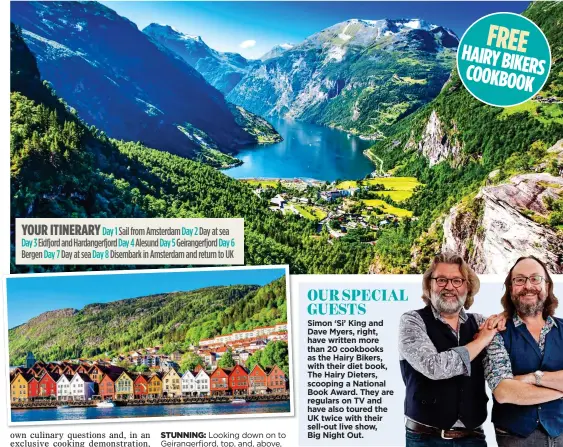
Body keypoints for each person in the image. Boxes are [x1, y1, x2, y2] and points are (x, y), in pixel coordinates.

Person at [399, 252, 505, 446]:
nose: (449, 287)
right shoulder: (412, 321)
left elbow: (501, 369)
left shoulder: (480, 322)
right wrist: (481, 341)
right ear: (429, 285)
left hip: (473, 438)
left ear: (468, 286)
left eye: (457, 280)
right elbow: (434, 367)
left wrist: (504, 317)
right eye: (441, 280)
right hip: (425, 439)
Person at [484, 255, 563, 446]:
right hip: (516, 437)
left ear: (547, 286)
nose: (528, 286)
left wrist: (532, 377)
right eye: (520, 280)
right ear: (511, 288)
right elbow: (504, 392)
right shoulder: (496, 332)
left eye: (535, 278)